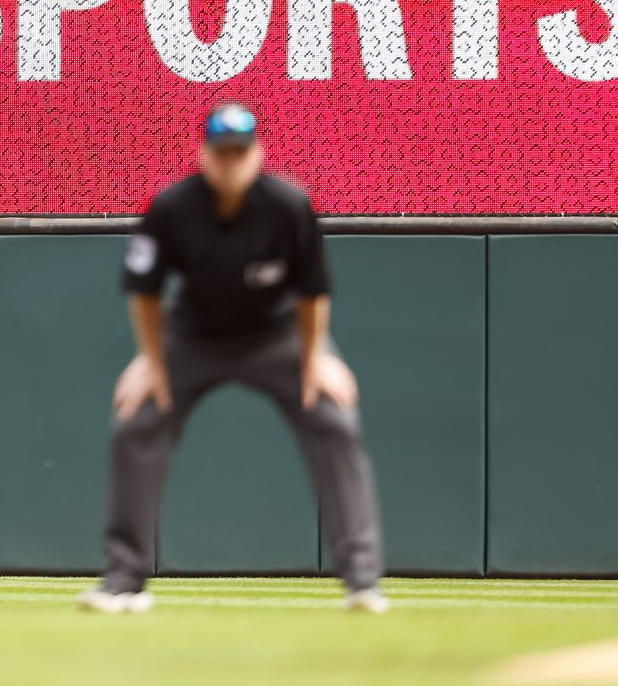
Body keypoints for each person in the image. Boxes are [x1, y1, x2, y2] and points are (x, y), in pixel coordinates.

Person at [78, 102, 389, 615]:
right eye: (222, 153)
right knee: (137, 422)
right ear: (204, 155)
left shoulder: (286, 206)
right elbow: (144, 290)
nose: (231, 163)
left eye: (240, 153)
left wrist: (315, 360)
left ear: (257, 154)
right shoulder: (173, 208)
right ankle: (123, 581)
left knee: (334, 419)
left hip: (278, 332)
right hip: (194, 334)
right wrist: (151, 362)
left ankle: (363, 582)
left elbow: (313, 292)